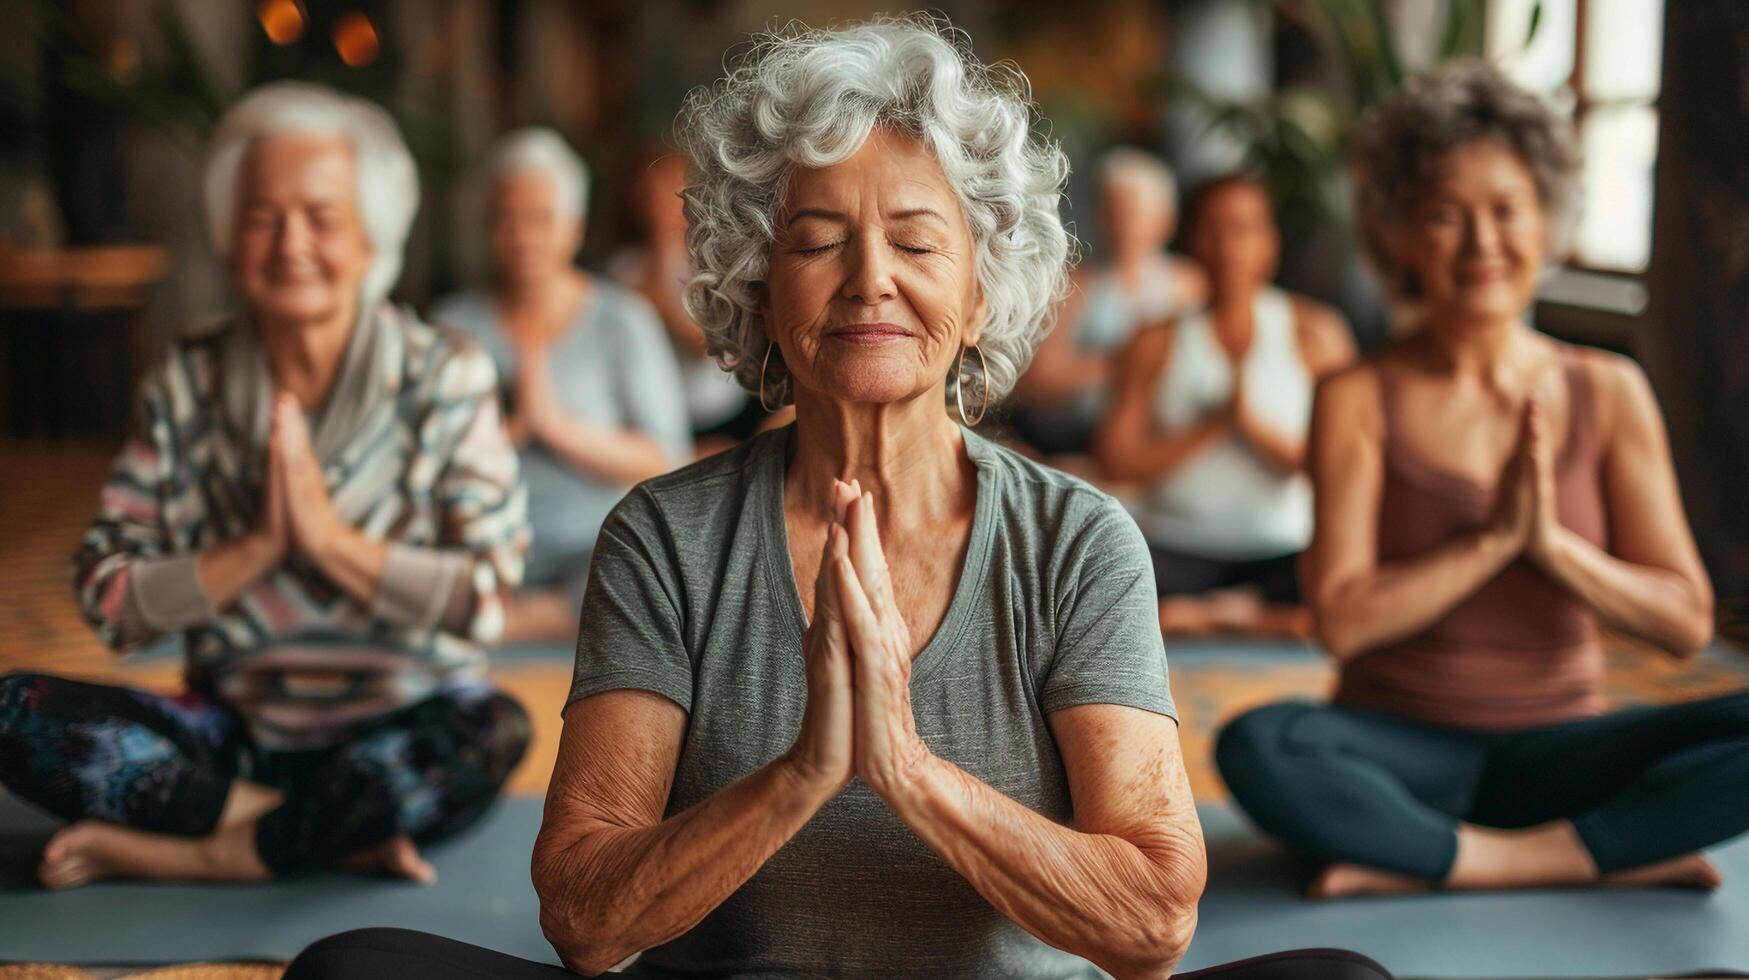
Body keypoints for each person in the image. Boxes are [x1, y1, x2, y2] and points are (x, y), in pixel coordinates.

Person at [283, 16, 1392, 980]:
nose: (870, 279)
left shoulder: (1077, 539)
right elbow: (583, 918)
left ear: (980, 283)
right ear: (758, 287)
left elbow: (1151, 924)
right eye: (818, 241)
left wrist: (906, 769)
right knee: (352, 965)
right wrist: (805, 769)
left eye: (916, 240)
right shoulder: (664, 536)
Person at [1216, 59, 1747, 899]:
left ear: (1546, 222)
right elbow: (1343, 623)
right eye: (1442, 215)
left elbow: (1682, 622)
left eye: (1505, 210)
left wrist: (1550, 547)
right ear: (1398, 234)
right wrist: (1494, 540)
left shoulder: (1605, 391)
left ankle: (1434, 860)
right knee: (1259, 743)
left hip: (1560, 758)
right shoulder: (1355, 396)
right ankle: (1599, 853)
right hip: (1394, 753)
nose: (1479, 244)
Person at [0, 82, 532, 888]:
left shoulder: (443, 377)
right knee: (13, 711)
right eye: (261, 216)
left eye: (321, 218)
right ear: (225, 233)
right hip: (232, 734)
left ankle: (202, 847)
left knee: (493, 728)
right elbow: (109, 604)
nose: (290, 244)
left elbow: (487, 599)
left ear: (370, 240)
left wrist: (329, 544)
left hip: (393, 727)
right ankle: (304, 834)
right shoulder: (188, 382)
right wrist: (259, 550)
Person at [435, 129, 691, 643]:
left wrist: (553, 426)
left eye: (540, 219)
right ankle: (505, 610)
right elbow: (422, 459)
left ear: (573, 229)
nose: (523, 235)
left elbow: (666, 457)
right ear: (488, 227)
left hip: (590, 545)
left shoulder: (621, 320)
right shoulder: (453, 324)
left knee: (639, 569)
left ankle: (516, 619)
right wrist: (506, 431)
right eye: (507, 219)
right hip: (485, 543)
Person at [1095, 176, 1354, 636]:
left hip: (1283, 550)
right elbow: (1115, 459)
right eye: (1214, 229)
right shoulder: (1155, 340)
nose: (1229, 246)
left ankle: (1227, 615)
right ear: (1191, 241)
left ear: (1270, 243)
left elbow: (1348, 469)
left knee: (1347, 603)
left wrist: (1254, 429)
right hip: (1175, 547)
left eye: (1245, 229)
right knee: (1103, 605)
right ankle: (1249, 616)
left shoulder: (1317, 333)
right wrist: (1213, 426)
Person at [1010, 148, 1208, 456]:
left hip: (1163, 436)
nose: (1121, 223)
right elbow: (1039, 378)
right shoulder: (1076, 283)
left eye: (1133, 212)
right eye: (1112, 209)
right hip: (1076, 440)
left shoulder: (1190, 285)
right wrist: (1127, 362)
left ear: (1164, 218)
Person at [609, 151, 762, 451]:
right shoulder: (623, 269)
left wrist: (660, 304)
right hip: (653, 416)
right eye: (650, 193)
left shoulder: (715, 264)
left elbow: (711, 346)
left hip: (720, 412)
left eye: (670, 190)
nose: (660, 202)